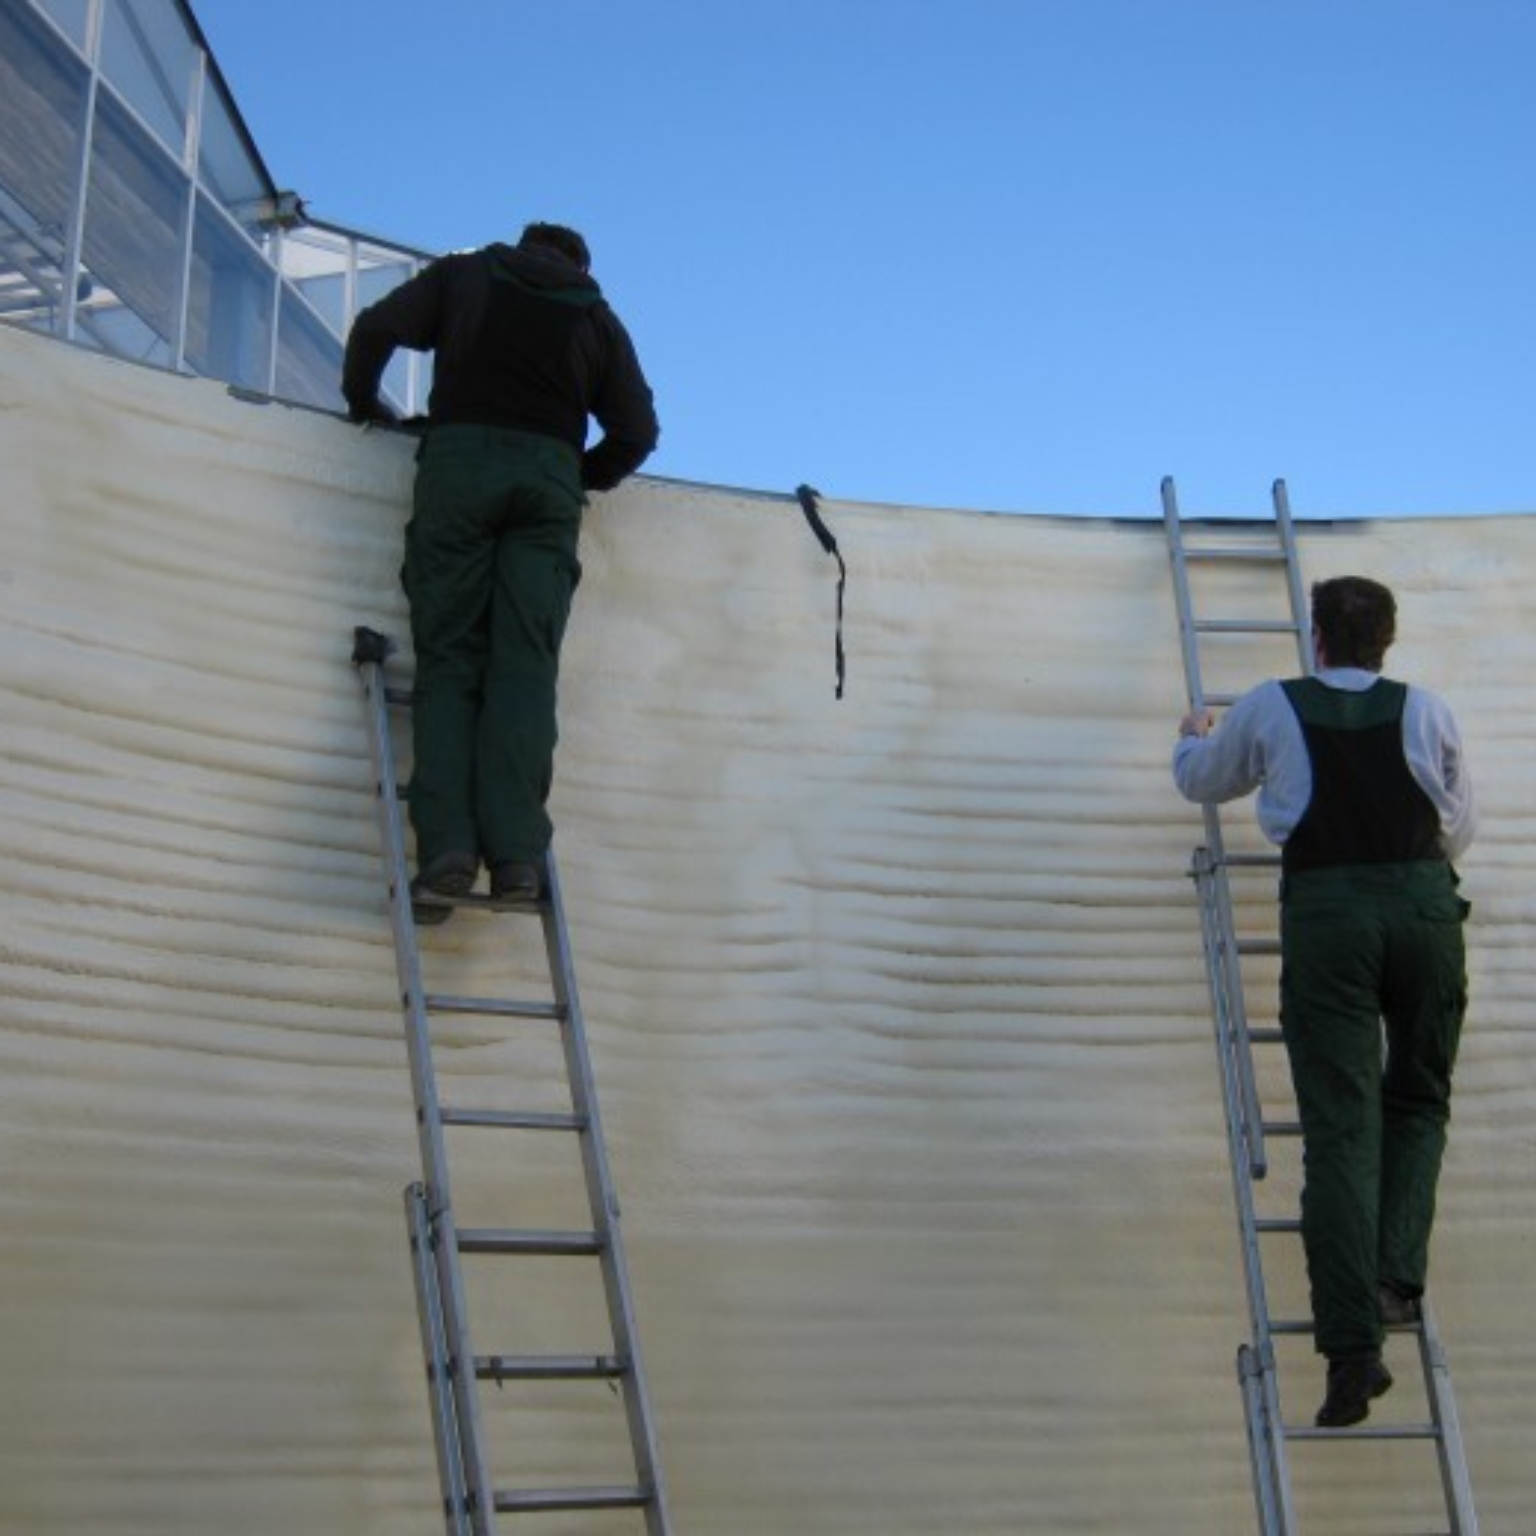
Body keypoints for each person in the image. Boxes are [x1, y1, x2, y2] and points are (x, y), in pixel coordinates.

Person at [1171, 576, 1474, 1429]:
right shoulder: (1428, 711)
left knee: (1342, 1128)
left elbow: (1203, 781)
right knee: (1418, 1100)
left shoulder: (1272, 705)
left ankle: (1350, 1354)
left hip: (1332, 918)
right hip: (1423, 909)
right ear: (1387, 639)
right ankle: (1391, 1280)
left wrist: (1190, 735)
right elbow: (1458, 827)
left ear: (1318, 637)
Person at [343, 222, 658, 921]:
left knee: (453, 659)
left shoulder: (464, 278)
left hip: (459, 468)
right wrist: (576, 475)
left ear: (523, 245)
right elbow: (637, 433)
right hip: (546, 484)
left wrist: (365, 405)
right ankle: (516, 857)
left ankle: (449, 851)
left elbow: (373, 329)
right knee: (524, 666)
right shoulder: (597, 319)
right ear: (579, 263)